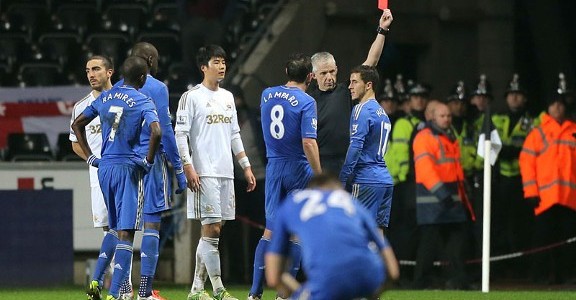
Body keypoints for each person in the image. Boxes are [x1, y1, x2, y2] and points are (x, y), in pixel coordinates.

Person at [72, 56, 162, 300]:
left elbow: (77, 125)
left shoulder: (105, 98)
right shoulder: (143, 99)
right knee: (127, 232)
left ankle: (95, 281)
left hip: (105, 168)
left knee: (112, 228)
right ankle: (114, 294)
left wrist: (91, 158)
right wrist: (148, 161)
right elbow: (156, 130)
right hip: (127, 167)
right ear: (143, 78)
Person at [175, 45, 256, 300]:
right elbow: (180, 135)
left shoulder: (228, 97)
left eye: (224, 61)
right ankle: (219, 289)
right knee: (213, 230)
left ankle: (196, 290)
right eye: (216, 61)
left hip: (226, 173)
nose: (222, 66)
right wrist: (188, 166)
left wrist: (245, 166)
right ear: (203, 66)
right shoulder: (191, 97)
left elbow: (234, 134)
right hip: (204, 172)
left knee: (214, 229)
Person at [248, 53, 322, 300]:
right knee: (296, 232)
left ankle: (254, 293)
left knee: (269, 231)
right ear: (310, 76)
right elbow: (309, 142)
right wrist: (320, 175)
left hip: (273, 167)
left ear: (286, 71)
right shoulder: (307, 101)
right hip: (298, 168)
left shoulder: (267, 94)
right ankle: (283, 295)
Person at [264, 173, 400, 300]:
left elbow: (273, 277)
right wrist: (373, 291)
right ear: (338, 189)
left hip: (327, 279)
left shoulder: (291, 203)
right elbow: (393, 270)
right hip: (371, 275)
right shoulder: (351, 203)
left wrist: (300, 293)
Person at [128, 42, 188, 300]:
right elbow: (163, 130)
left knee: (123, 227)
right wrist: (179, 168)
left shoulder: (116, 89)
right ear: (150, 60)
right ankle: (144, 292)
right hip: (150, 163)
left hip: (121, 165)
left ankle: (121, 290)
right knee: (151, 225)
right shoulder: (157, 88)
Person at [309, 9, 393, 174]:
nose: (329, 77)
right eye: (323, 73)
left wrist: (382, 30)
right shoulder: (308, 100)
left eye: (332, 72)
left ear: (337, 69)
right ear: (313, 76)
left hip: (348, 163)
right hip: (320, 164)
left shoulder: (346, 91)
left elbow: (371, 62)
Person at [70, 55, 123, 300]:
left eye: (97, 69)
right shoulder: (81, 107)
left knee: (124, 228)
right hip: (99, 175)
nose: (91, 74)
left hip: (123, 173)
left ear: (110, 72)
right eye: (88, 70)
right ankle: (117, 287)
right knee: (107, 227)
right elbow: (75, 143)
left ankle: (123, 288)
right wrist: (93, 160)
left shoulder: (124, 99)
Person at [412, 102, 474, 290]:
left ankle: (458, 280)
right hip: (434, 201)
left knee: (455, 244)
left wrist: (463, 189)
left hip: (450, 200)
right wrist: (442, 193)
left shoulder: (449, 136)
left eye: (448, 116)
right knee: (430, 245)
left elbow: (453, 168)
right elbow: (425, 169)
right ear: (432, 117)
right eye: (443, 116)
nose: (447, 119)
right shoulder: (425, 137)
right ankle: (421, 281)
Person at [519, 89, 576, 284]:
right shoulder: (538, 133)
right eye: (553, 104)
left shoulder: (574, 131)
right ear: (547, 108)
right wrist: (531, 192)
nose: (557, 107)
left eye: (560, 103)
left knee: (568, 241)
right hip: (545, 199)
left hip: (570, 198)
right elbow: (526, 163)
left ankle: (567, 276)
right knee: (542, 240)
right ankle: (539, 277)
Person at [490, 74, 538, 277]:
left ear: (525, 98)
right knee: (498, 226)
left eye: (519, 95)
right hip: (500, 179)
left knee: (520, 227)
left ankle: (521, 270)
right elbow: (492, 146)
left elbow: (529, 148)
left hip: (522, 180)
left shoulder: (533, 120)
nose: (515, 98)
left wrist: (508, 150)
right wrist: (511, 150)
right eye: (512, 94)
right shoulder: (496, 117)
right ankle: (501, 269)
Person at [384, 80, 429, 286]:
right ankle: (398, 274)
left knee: (410, 229)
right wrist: (400, 178)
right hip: (399, 183)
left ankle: (406, 274)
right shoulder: (402, 123)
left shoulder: (416, 122)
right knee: (400, 228)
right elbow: (399, 155)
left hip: (410, 182)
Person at [339, 65, 394, 234]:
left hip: (365, 180)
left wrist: (341, 179)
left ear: (368, 85)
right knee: (377, 236)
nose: (350, 86)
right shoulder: (381, 112)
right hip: (384, 180)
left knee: (355, 233)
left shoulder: (361, 110)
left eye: (354, 82)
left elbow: (355, 147)